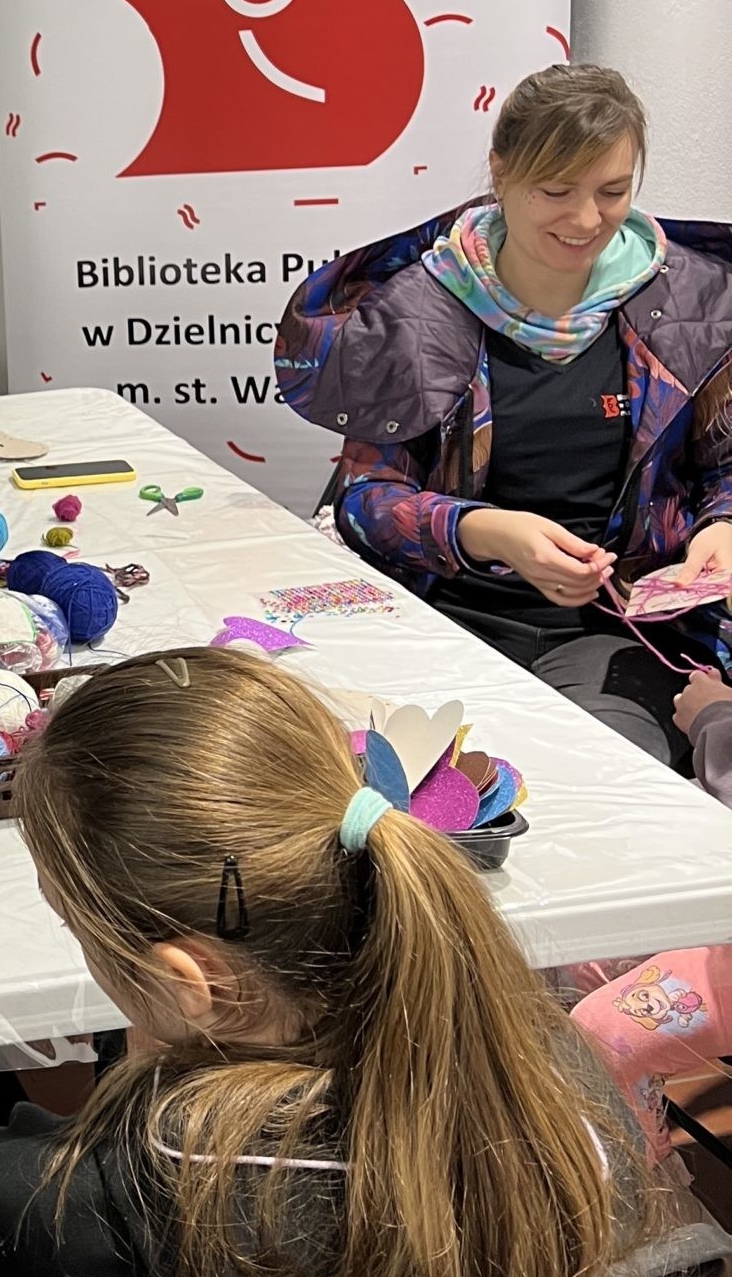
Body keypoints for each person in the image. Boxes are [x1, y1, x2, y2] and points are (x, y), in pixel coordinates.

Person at [0, 647, 659, 1277]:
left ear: (188, 983)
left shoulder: (56, 1206)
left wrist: (143, 1070)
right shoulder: (571, 1112)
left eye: (74, 922)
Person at [274, 64, 732, 770]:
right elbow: (366, 501)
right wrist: (486, 532)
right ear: (501, 171)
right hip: (444, 619)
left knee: (606, 777)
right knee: (407, 784)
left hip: (618, 637)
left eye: (612, 192)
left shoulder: (693, 307)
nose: (586, 221)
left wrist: (719, 530)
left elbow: (722, 468)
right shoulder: (417, 312)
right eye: (556, 191)